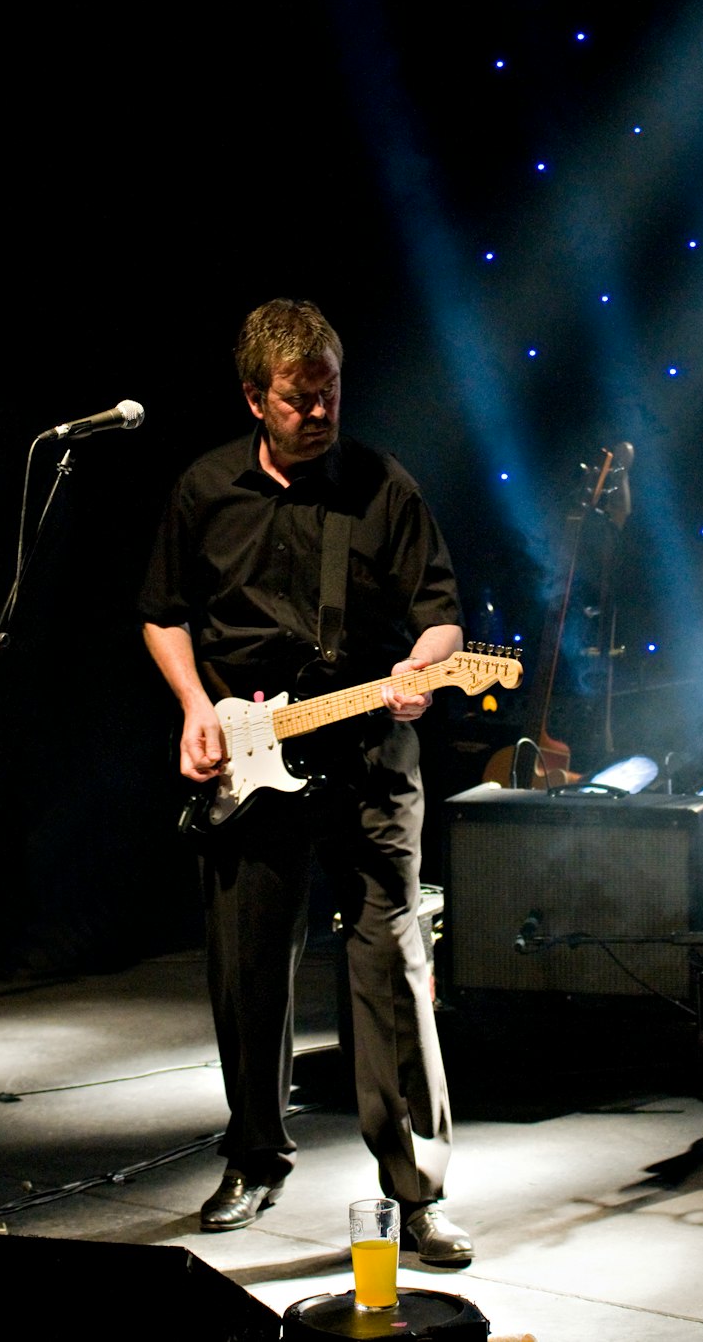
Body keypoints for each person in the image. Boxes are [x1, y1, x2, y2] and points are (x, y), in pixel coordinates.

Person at [138, 297, 473, 1265]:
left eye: (330, 393)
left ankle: (415, 1193)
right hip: (250, 760)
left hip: (370, 757)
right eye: (299, 399)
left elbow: (442, 614)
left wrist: (422, 669)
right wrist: (197, 707)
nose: (320, 412)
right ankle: (253, 1158)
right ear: (256, 397)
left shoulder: (382, 486)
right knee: (246, 974)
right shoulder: (205, 489)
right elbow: (162, 612)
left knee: (394, 975)